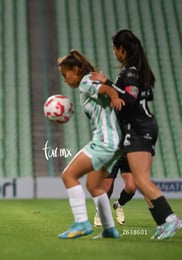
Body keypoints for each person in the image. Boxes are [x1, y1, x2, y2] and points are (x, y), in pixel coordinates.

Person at [91, 29, 181, 240]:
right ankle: (162, 224)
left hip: (139, 128)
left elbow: (130, 101)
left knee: (140, 180)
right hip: (143, 127)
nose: (113, 52)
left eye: (115, 48)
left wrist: (108, 84)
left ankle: (170, 219)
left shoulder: (131, 73)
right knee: (141, 181)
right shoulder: (138, 71)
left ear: (122, 49)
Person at [57, 49, 125, 239]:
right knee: (94, 186)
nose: (64, 79)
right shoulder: (88, 80)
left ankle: (81, 223)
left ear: (76, 69)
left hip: (104, 141)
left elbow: (105, 89)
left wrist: (114, 97)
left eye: (65, 74)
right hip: (115, 144)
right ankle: (109, 229)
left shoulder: (86, 81)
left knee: (68, 175)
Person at [94, 155, 136, 226]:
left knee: (131, 188)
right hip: (112, 153)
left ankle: (118, 205)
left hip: (126, 153)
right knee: (107, 188)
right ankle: (99, 212)